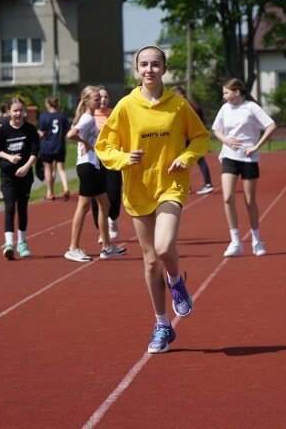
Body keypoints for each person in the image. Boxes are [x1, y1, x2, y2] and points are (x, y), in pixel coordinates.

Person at [95, 45, 209, 354]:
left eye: (155, 64)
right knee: (148, 261)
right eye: (143, 64)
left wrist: (186, 157)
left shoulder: (178, 105)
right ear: (136, 70)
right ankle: (162, 325)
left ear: (164, 68)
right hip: (137, 188)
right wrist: (123, 157)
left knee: (163, 247)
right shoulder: (125, 106)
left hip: (170, 185)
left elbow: (200, 137)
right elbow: (104, 146)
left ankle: (176, 281)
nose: (149, 69)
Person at [211, 78, 276, 257]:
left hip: (248, 158)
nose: (224, 97)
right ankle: (235, 241)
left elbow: (271, 125)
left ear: (237, 92)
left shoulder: (251, 108)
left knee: (249, 200)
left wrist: (256, 146)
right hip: (229, 157)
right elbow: (216, 129)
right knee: (227, 197)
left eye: (226, 93)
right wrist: (226, 140)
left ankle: (257, 240)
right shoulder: (225, 109)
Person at [63, 85, 127, 263]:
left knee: (105, 204)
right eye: (96, 99)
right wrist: (85, 142)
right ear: (86, 101)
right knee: (83, 207)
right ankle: (73, 248)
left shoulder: (88, 117)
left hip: (93, 166)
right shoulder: (87, 118)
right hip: (87, 167)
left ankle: (107, 246)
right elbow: (71, 134)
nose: (100, 101)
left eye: (101, 98)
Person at [0, 97, 39, 260]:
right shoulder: (4, 129)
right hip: (8, 176)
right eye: (15, 110)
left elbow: (34, 152)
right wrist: (10, 158)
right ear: (9, 112)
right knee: (10, 207)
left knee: (22, 209)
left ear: (24, 111)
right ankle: (9, 243)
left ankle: (22, 242)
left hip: (24, 175)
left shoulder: (30, 130)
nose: (18, 113)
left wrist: (26, 167)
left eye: (20, 110)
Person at [91, 85, 123, 241]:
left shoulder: (114, 114)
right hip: (94, 161)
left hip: (112, 159)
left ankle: (113, 219)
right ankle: (102, 230)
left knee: (113, 193)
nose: (102, 100)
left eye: (105, 97)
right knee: (96, 196)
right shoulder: (90, 115)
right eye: (100, 97)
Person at [173, 86, 214, 195]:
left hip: (187, 136)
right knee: (195, 160)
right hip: (195, 136)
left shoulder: (182, 105)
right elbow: (202, 120)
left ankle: (203, 184)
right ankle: (204, 184)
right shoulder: (194, 104)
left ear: (180, 94)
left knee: (187, 160)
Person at [37, 96, 71, 201]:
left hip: (47, 147)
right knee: (61, 169)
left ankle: (50, 192)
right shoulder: (62, 116)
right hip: (59, 146)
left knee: (48, 169)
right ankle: (65, 188)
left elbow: (41, 132)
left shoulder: (44, 116)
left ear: (48, 104)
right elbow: (67, 130)